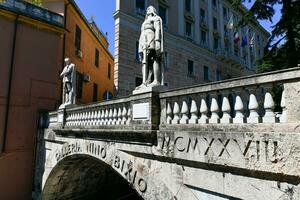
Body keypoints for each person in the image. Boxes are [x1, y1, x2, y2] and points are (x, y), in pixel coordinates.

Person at [137, 6, 164, 88]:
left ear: (153, 10)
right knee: (145, 62)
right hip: (143, 40)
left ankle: (156, 80)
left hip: (151, 38)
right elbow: (141, 33)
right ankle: (145, 81)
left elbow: (158, 29)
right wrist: (140, 47)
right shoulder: (144, 22)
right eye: (147, 9)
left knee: (154, 58)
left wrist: (157, 41)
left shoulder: (156, 18)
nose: (147, 10)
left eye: (149, 8)